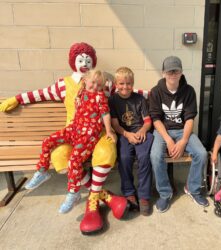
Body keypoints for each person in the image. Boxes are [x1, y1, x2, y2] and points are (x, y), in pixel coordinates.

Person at [0, 43, 129, 235]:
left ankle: (89, 200)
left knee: (104, 152)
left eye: (88, 60)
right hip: (73, 131)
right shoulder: (66, 85)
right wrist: (17, 99)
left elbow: (125, 92)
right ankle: (100, 195)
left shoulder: (104, 87)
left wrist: (154, 95)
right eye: (80, 59)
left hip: (95, 134)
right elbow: (40, 94)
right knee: (60, 156)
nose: (84, 63)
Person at [25, 69, 117, 214]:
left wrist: (109, 130)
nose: (94, 88)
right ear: (85, 80)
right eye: (92, 83)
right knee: (48, 141)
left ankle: (74, 193)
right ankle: (42, 170)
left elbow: (105, 114)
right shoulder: (81, 91)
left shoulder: (100, 97)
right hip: (74, 129)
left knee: (74, 160)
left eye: (99, 86)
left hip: (88, 134)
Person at [149, 56, 209, 213]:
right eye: (169, 71)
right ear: (163, 73)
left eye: (176, 71)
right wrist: (168, 139)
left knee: (201, 153)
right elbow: (155, 119)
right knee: (155, 156)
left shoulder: (188, 91)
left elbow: (190, 119)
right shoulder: (156, 92)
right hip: (163, 131)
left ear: (181, 72)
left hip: (183, 129)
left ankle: (193, 188)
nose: (172, 74)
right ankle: (165, 193)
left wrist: (183, 141)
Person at [108, 67, 153, 216]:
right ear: (116, 83)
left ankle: (144, 196)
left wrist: (142, 131)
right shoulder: (113, 100)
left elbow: (147, 121)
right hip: (124, 134)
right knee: (125, 158)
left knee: (144, 158)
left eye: (128, 83)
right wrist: (127, 134)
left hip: (141, 133)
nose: (125, 87)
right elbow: (115, 124)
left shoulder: (139, 99)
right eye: (121, 83)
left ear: (132, 83)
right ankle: (129, 193)